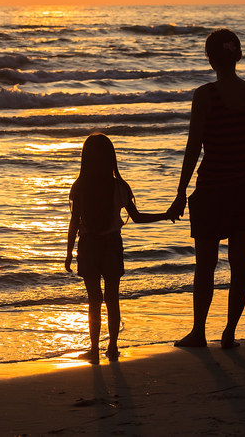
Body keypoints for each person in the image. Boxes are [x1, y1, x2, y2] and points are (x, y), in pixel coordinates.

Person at [167, 28, 245, 349]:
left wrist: (181, 192)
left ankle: (199, 332)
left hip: (211, 189)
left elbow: (193, 147)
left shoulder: (205, 95)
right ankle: (229, 333)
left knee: (205, 266)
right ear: (237, 56)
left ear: (210, 58)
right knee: (240, 266)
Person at [64, 133, 168, 363]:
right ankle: (112, 346)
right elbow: (137, 218)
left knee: (94, 300)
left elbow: (74, 223)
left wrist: (69, 253)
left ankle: (93, 349)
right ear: (111, 159)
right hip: (112, 244)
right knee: (112, 297)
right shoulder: (119, 186)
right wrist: (165, 214)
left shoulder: (80, 186)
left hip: (89, 245)